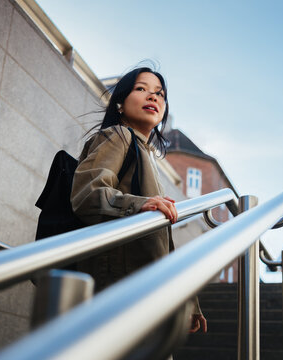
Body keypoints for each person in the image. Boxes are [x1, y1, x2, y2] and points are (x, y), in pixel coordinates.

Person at [70, 67, 207, 334]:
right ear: (120, 103)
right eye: (141, 89)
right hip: (119, 292)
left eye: (160, 94)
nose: (153, 97)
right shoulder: (118, 136)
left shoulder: (146, 155)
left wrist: (187, 300)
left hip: (143, 291)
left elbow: (161, 245)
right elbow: (87, 194)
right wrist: (139, 204)